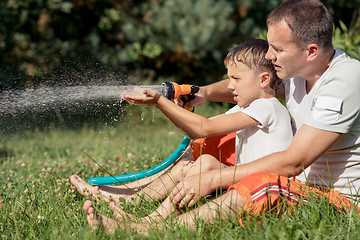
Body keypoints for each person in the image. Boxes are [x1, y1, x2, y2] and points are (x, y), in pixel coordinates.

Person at [82, 0, 360, 234]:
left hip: (338, 202)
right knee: (217, 144)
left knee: (263, 184)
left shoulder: (344, 81)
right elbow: (258, 89)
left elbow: (294, 162)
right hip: (301, 186)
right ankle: (139, 205)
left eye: (278, 49)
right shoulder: (298, 72)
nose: (269, 55)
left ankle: (145, 231)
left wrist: (216, 180)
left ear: (311, 51)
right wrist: (203, 93)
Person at [78, 38, 294, 234]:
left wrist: (159, 103)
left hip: (263, 187)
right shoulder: (246, 108)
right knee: (205, 162)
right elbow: (195, 132)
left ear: (264, 79)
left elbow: (205, 128)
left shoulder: (268, 107)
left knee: (207, 162)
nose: (229, 86)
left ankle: (144, 224)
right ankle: (141, 210)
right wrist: (180, 111)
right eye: (229, 78)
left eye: (236, 78)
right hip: (241, 180)